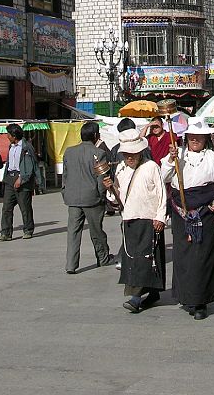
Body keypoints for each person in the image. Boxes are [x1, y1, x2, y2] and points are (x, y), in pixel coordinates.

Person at [161, 117, 214, 320]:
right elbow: (163, 177)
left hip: (206, 214)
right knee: (184, 257)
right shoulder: (178, 154)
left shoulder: (211, 157)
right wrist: (170, 160)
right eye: (191, 137)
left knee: (203, 258)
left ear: (205, 138)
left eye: (199, 137)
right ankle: (187, 298)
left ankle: (201, 301)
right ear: (186, 137)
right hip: (181, 214)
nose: (195, 140)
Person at [103, 129, 167, 313]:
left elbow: (161, 194)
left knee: (145, 259)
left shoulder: (151, 167)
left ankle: (136, 297)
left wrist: (160, 217)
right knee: (132, 258)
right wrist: (110, 188)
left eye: (133, 154)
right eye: (127, 154)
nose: (130, 157)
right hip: (129, 218)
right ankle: (153, 291)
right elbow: (116, 199)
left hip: (149, 219)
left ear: (140, 152)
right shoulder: (121, 169)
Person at [61, 121, 114, 273]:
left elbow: (65, 175)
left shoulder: (69, 152)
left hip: (72, 199)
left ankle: (71, 265)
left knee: (73, 232)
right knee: (96, 231)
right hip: (92, 199)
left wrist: (65, 192)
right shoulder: (99, 153)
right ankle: (102, 258)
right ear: (96, 135)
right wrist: (101, 195)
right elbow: (102, 179)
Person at [0, 124, 38, 241]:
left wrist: (21, 178)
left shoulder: (26, 147)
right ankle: (6, 232)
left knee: (25, 207)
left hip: (22, 179)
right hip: (10, 178)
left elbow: (29, 165)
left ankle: (28, 230)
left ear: (14, 135)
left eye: (8, 134)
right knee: (6, 207)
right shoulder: (11, 147)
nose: (7, 136)